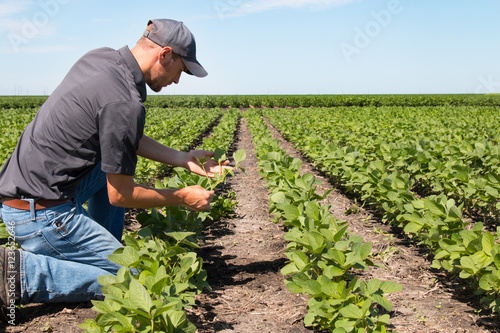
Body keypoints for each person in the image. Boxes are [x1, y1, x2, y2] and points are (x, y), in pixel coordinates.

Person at [0, 18, 226, 323]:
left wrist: (181, 157)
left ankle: (99, 247)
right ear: (165, 54)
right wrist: (182, 197)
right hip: (40, 215)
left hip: (24, 193)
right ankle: (23, 273)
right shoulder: (124, 101)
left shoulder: (103, 58)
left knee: (111, 167)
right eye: (180, 70)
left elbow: (120, 133)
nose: (177, 80)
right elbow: (121, 194)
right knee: (135, 282)